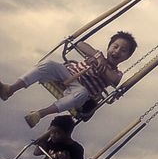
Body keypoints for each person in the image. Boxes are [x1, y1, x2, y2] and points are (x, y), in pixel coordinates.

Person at [0, 31, 138, 127]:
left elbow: (114, 80)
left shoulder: (116, 72)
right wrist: (98, 57)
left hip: (79, 89)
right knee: (48, 64)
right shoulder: (98, 54)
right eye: (115, 46)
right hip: (67, 73)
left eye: (123, 51)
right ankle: (10, 89)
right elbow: (80, 44)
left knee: (82, 93)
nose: (117, 51)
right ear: (109, 47)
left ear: (127, 57)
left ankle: (40, 114)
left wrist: (104, 67)